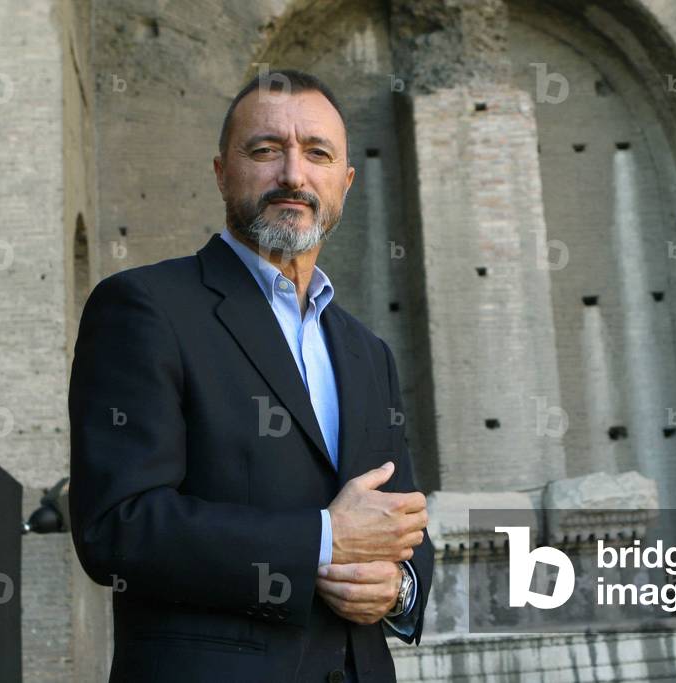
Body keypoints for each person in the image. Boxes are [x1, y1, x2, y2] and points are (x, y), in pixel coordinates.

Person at [68, 69, 433, 683]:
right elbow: (116, 526)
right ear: (221, 171)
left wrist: (397, 588)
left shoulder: (370, 353)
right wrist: (321, 540)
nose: (293, 173)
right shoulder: (144, 306)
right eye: (266, 150)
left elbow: (402, 528)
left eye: (317, 154)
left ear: (343, 183)